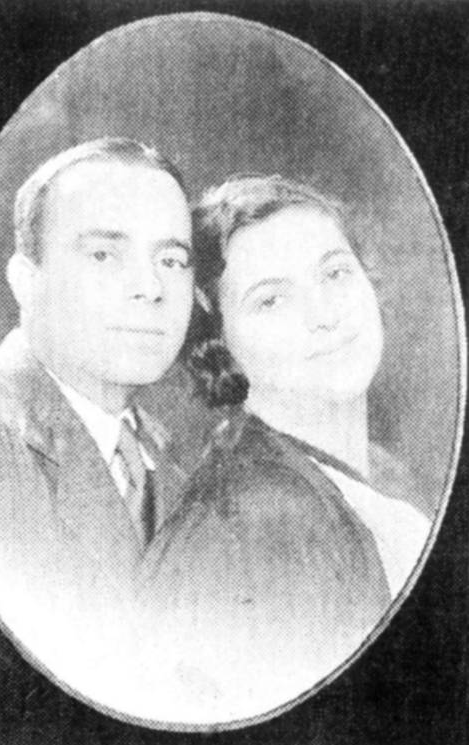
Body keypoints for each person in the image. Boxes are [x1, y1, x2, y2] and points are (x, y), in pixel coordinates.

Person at [140, 174, 432, 723]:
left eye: (335, 273)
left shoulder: (384, 474)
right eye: (271, 300)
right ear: (219, 341)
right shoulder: (251, 523)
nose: (325, 315)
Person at [0, 138, 195, 710]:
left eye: (172, 260)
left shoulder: (173, 466)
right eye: (103, 255)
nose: (151, 288)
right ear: (26, 282)